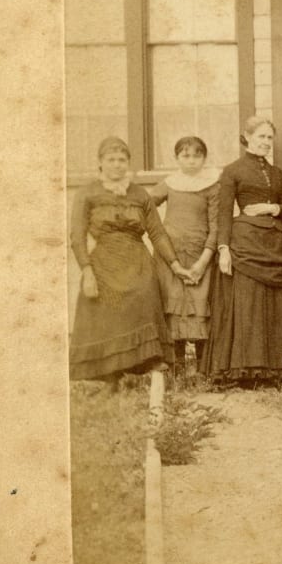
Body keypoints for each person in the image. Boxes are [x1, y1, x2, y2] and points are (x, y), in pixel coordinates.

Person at [203, 117, 282, 385]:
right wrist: (224, 249)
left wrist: (272, 208)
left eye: (269, 138)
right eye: (261, 137)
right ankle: (248, 369)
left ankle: (280, 370)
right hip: (245, 243)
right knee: (250, 304)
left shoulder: (276, 173)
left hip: (274, 243)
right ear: (247, 137)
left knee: (280, 305)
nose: (266, 142)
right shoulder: (232, 171)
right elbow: (223, 214)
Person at [70, 136, 180, 381]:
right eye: (111, 160)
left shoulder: (140, 193)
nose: (117, 165)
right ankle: (109, 370)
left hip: (138, 260)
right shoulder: (87, 193)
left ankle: (147, 364)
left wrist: (175, 264)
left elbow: (157, 232)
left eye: (122, 160)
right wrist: (87, 271)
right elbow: (76, 236)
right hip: (103, 262)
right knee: (106, 304)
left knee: (145, 293)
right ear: (100, 162)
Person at [149, 136, 220, 380]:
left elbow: (216, 226)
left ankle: (202, 369)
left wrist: (203, 262)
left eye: (197, 155)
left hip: (201, 256)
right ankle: (176, 368)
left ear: (204, 158)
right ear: (176, 158)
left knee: (199, 308)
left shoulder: (211, 185)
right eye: (185, 155)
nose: (191, 161)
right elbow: (145, 207)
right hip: (170, 257)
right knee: (174, 307)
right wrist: (162, 238)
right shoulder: (170, 183)